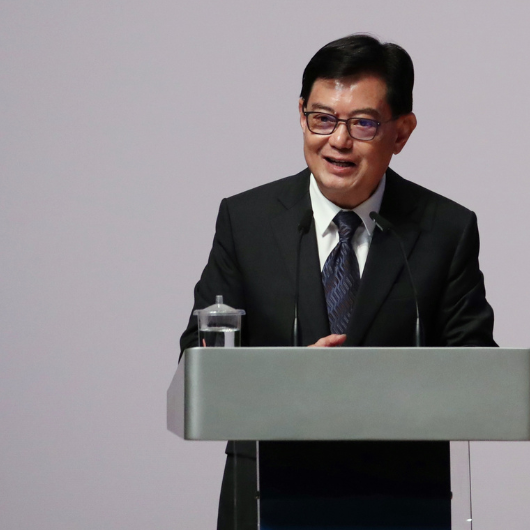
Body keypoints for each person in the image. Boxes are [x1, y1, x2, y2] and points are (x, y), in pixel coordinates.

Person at [179, 33, 497, 529]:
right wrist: (290, 379)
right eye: (321, 118)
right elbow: (199, 361)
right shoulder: (248, 221)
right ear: (301, 113)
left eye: (363, 123)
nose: (338, 141)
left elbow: (478, 373)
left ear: (402, 132)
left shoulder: (445, 229)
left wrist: (378, 387)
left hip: (403, 498)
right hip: (267, 492)